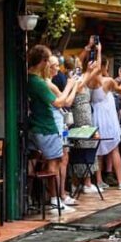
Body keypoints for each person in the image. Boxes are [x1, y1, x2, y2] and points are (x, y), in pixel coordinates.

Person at [25, 45, 74, 208]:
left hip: (34, 127)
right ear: (43, 62)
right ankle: (55, 200)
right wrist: (69, 85)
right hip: (45, 126)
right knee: (54, 162)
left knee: (32, 162)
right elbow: (59, 102)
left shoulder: (28, 79)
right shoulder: (38, 82)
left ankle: (28, 199)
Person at [88, 52, 121, 190]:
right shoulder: (107, 81)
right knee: (114, 149)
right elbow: (119, 90)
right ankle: (120, 181)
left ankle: (99, 180)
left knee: (98, 150)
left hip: (96, 116)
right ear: (104, 66)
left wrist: (119, 77)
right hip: (107, 118)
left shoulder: (90, 81)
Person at [46, 54, 79, 208]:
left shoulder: (51, 81)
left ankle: (61, 194)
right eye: (55, 66)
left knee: (63, 158)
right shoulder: (49, 83)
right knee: (58, 160)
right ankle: (57, 196)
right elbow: (65, 101)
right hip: (55, 124)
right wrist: (72, 86)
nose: (58, 69)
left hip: (60, 123)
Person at [69, 52, 103, 195]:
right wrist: (88, 71)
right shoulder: (74, 79)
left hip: (87, 114)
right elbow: (82, 82)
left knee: (90, 143)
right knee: (82, 144)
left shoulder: (82, 77)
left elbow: (97, 68)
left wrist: (98, 51)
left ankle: (87, 182)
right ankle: (80, 182)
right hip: (79, 115)